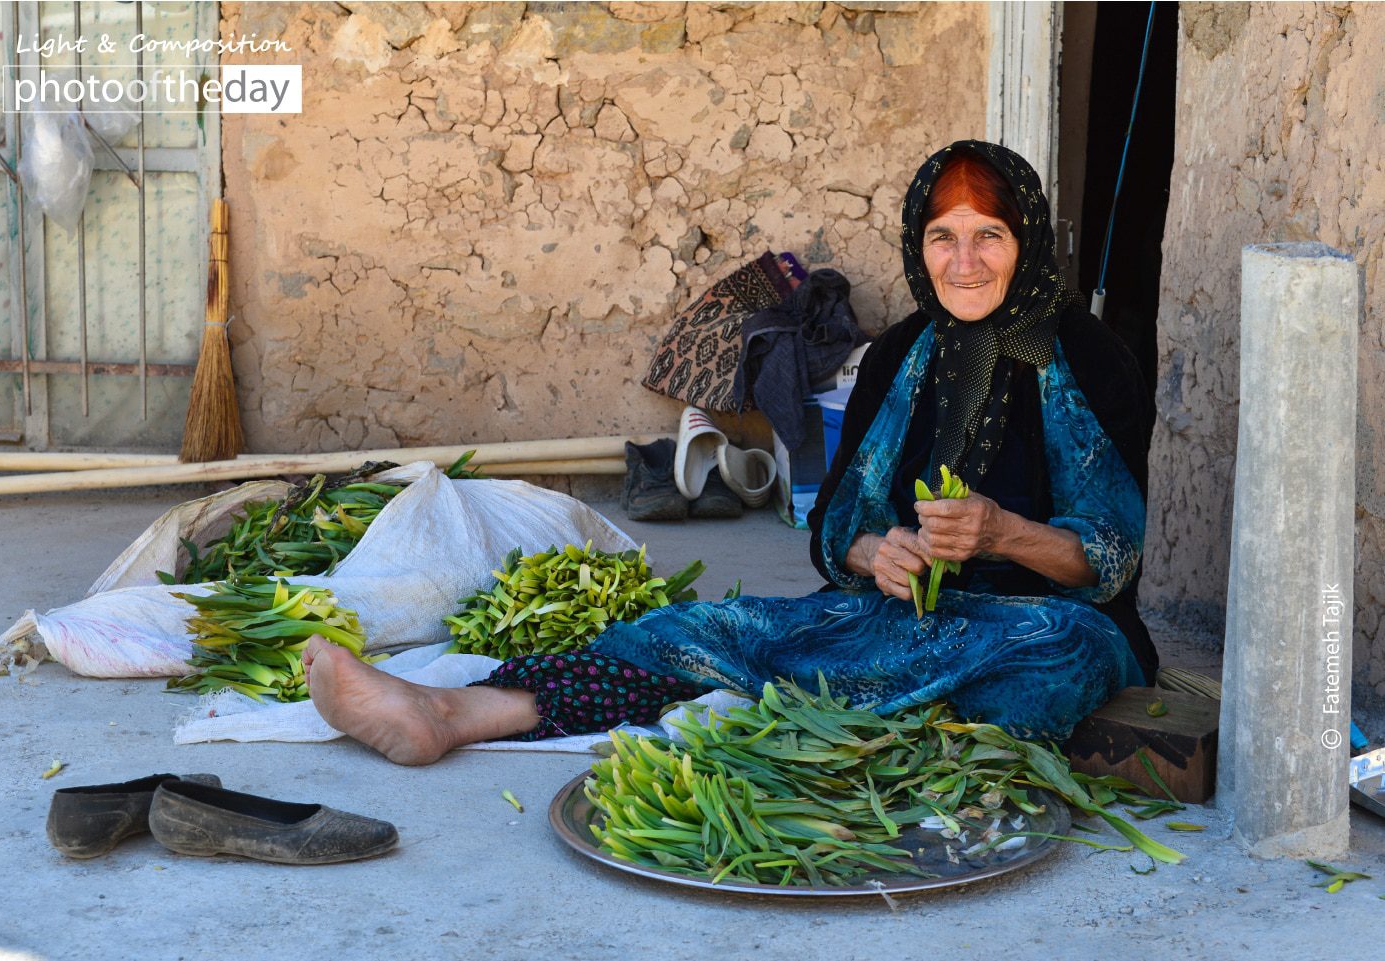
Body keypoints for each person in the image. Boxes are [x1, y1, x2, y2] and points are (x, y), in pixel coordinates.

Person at [304, 140, 1156, 765]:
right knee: (696, 626)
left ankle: (885, 770)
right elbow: (833, 529)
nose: (962, 262)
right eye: (942, 236)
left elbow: (1111, 560)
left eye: (989, 237)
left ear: (1028, 241)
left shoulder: (1082, 358)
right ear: (916, 243)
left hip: (1042, 624)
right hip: (897, 617)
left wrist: (1004, 533)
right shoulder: (900, 356)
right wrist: (873, 551)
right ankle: (449, 711)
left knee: (1051, 668)